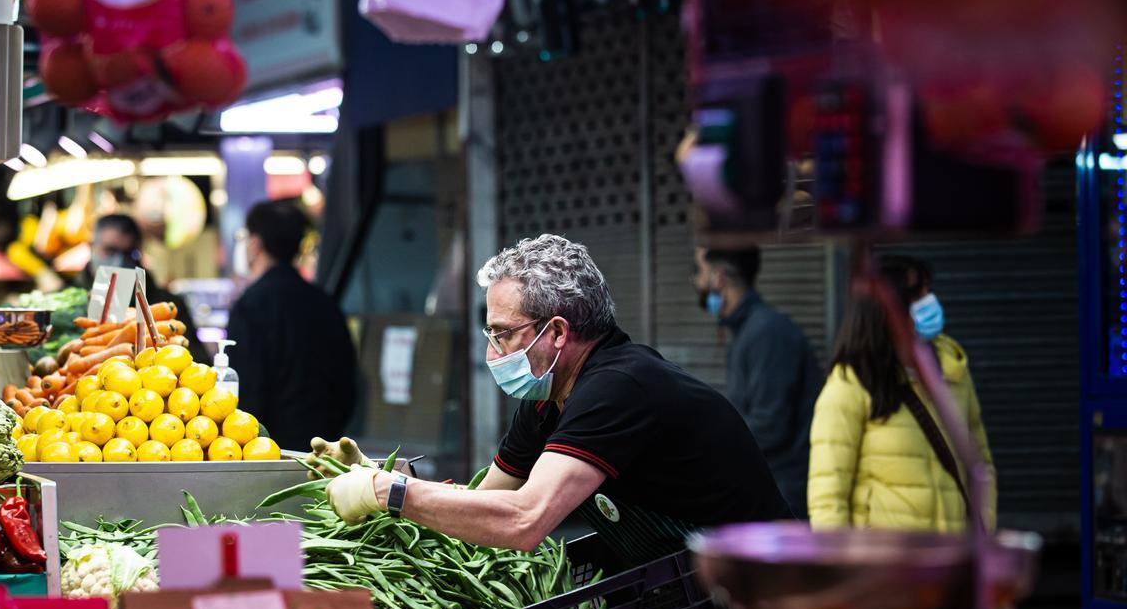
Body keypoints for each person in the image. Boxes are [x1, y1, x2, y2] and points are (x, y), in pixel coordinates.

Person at [313, 234, 791, 565]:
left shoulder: (619, 387)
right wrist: (393, 474)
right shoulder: (547, 401)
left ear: (557, 332)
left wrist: (390, 494)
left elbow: (523, 521)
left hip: (754, 591)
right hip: (686, 582)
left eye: (502, 335)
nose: (490, 353)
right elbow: (486, 506)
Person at [807, 255, 996, 531]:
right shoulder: (851, 383)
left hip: (948, 560)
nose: (929, 302)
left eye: (929, 291)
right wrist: (843, 567)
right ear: (885, 309)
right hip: (886, 564)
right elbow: (828, 496)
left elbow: (981, 467)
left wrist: (983, 536)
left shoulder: (952, 370)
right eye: (917, 295)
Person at [695, 246, 822, 518]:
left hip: (787, 497)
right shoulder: (748, 330)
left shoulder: (766, 333)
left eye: (700, 272)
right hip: (772, 489)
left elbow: (769, 427)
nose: (697, 282)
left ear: (718, 278)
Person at [227, 201, 357, 448]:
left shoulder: (250, 306)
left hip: (267, 453)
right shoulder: (325, 303)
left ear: (255, 244)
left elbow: (246, 390)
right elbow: (347, 383)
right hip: (324, 448)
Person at [80, 214, 211, 366]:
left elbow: (197, 362)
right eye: (110, 251)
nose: (118, 261)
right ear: (91, 247)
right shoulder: (68, 303)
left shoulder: (168, 306)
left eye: (128, 254)